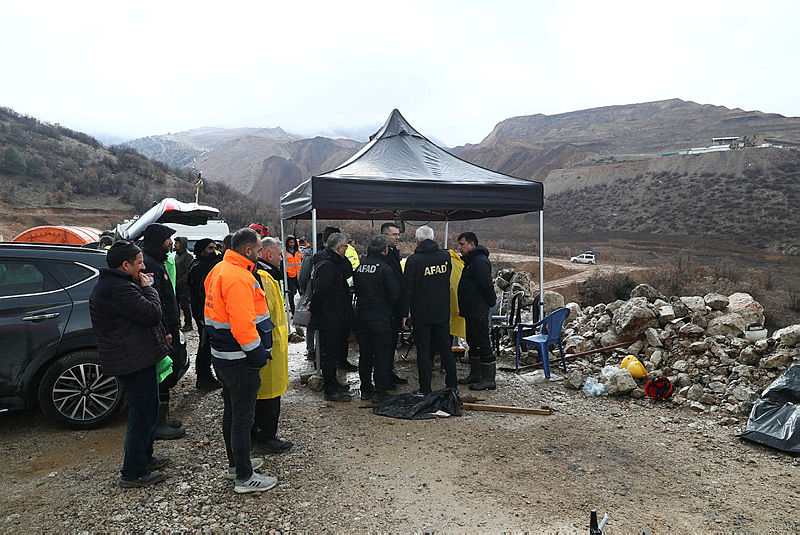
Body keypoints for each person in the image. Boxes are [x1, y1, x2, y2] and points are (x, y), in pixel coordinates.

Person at [89, 240, 171, 488]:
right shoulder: (120, 288)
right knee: (141, 415)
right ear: (125, 265)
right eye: (139, 263)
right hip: (132, 360)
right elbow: (152, 314)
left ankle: (145, 457)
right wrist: (149, 289)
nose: (143, 267)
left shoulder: (117, 284)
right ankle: (133, 472)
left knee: (148, 409)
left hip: (136, 356)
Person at [205, 227, 277, 493]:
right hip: (239, 359)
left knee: (232, 412)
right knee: (243, 418)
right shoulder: (238, 277)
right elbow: (242, 325)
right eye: (258, 250)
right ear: (247, 250)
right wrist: (257, 355)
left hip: (223, 356)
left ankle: (237, 464)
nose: (260, 254)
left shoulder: (219, 269)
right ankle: (244, 477)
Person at [141, 223, 186, 440]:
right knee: (163, 376)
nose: (171, 243)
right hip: (163, 329)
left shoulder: (157, 262)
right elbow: (155, 301)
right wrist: (165, 330)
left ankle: (163, 418)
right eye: (168, 239)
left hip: (170, 326)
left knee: (169, 373)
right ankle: (158, 424)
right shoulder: (150, 265)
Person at [402, 225, 458, 394]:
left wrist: (404, 313)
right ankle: (452, 385)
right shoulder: (445, 256)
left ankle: (425, 387)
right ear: (434, 239)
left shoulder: (413, 260)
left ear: (417, 241)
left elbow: (408, 289)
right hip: (442, 311)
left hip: (421, 313)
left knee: (423, 350)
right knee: (446, 349)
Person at [253, 237, 294, 453]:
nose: (281, 258)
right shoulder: (264, 278)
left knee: (267, 394)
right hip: (269, 346)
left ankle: (261, 434)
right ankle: (265, 437)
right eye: (279, 255)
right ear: (269, 255)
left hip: (272, 345)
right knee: (268, 396)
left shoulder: (267, 276)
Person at [354, 235, 401, 403]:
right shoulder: (385, 269)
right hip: (380, 317)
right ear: (385, 250)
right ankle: (380, 390)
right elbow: (395, 294)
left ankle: (365, 389)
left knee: (365, 354)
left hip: (362, 316)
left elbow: (356, 290)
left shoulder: (360, 268)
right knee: (381, 354)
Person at [309, 232, 355, 401]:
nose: (347, 249)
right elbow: (320, 291)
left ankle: (333, 382)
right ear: (338, 248)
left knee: (333, 352)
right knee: (329, 353)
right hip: (329, 316)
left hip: (336, 314)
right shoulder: (327, 265)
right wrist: (314, 308)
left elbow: (348, 271)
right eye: (345, 247)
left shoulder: (335, 262)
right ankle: (330, 390)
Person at [456, 232, 498, 390]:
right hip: (470, 309)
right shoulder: (470, 261)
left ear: (472, 244)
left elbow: (486, 284)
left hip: (478, 309)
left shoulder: (479, 261)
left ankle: (488, 379)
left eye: (462, 244)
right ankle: (475, 374)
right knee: (472, 341)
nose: (459, 248)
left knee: (482, 341)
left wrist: (491, 302)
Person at [187, 238, 222, 390]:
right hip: (203, 313)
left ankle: (206, 375)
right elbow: (196, 295)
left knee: (207, 345)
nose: (213, 251)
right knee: (204, 345)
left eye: (214, 247)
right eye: (210, 248)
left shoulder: (207, 264)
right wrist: (200, 316)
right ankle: (203, 377)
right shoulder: (198, 267)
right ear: (202, 250)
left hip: (207, 312)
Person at [381, 222, 408, 386]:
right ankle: (383, 377)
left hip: (394, 308)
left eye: (398, 234)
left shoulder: (393, 254)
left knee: (391, 344)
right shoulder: (381, 257)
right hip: (385, 308)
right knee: (384, 345)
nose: (398, 237)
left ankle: (389, 373)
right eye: (394, 234)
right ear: (385, 236)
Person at [173, 237, 194, 332]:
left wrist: (181, 281)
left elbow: (188, 271)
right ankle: (178, 323)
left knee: (185, 305)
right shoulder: (177, 255)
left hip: (184, 286)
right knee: (176, 305)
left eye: (177, 243)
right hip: (177, 285)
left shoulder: (188, 256)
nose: (175, 245)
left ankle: (188, 324)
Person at [284, 235, 302, 315]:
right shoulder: (284, 253)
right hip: (290, 276)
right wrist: (285, 275)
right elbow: (282, 265)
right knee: (290, 295)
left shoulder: (299, 251)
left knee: (302, 293)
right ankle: (293, 312)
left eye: (293, 242)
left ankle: (302, 310)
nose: (292, 244)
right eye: (290, 242)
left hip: (299, 275)